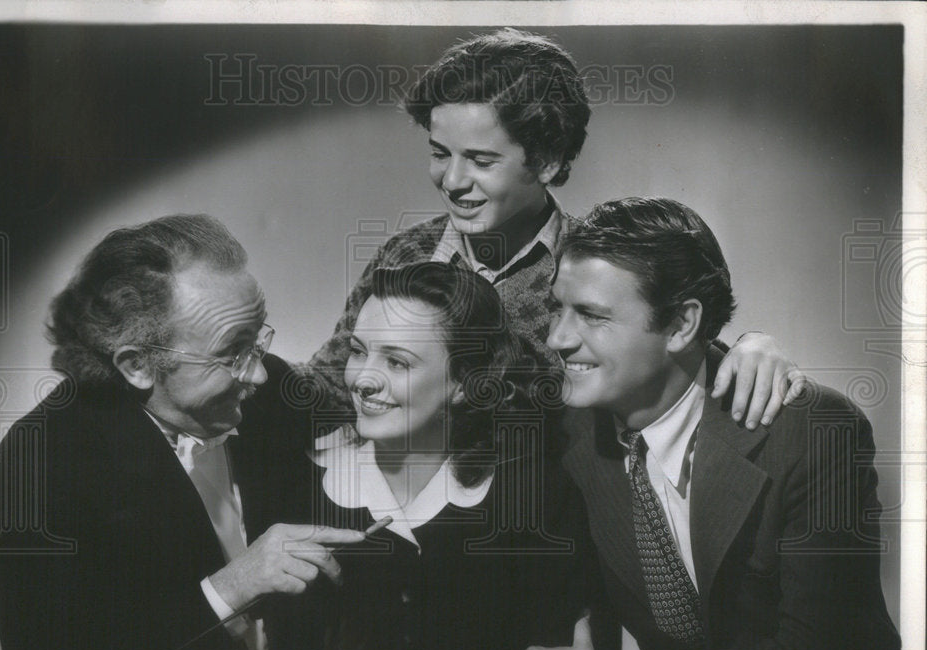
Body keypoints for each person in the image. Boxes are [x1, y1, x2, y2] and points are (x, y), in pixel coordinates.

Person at [500, 197, 901, 650]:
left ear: (682, 325)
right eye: (556, 308)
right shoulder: (564, 430)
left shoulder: (813, 431)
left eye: (591, 315)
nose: (557, 337)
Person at [309, 28, 802, 429]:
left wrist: (754, 347)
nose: (452, 181)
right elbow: (328, 389)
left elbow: (677, 351)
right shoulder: (405, 253)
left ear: (547, 161)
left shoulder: (595, 265)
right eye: (440, 154)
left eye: (481, 161)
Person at [0, 214, 365, 650]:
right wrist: (229, 589)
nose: (261, 375)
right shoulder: (39, 463)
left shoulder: (266, 389)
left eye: (256, 341)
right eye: (231, 352)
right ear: (137, 365)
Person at [267, 262, 587, 650]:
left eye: (397, 362)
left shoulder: (535, 498)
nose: (362, 379)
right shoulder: (298, 491)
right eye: (359, 351)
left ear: (463, 384)